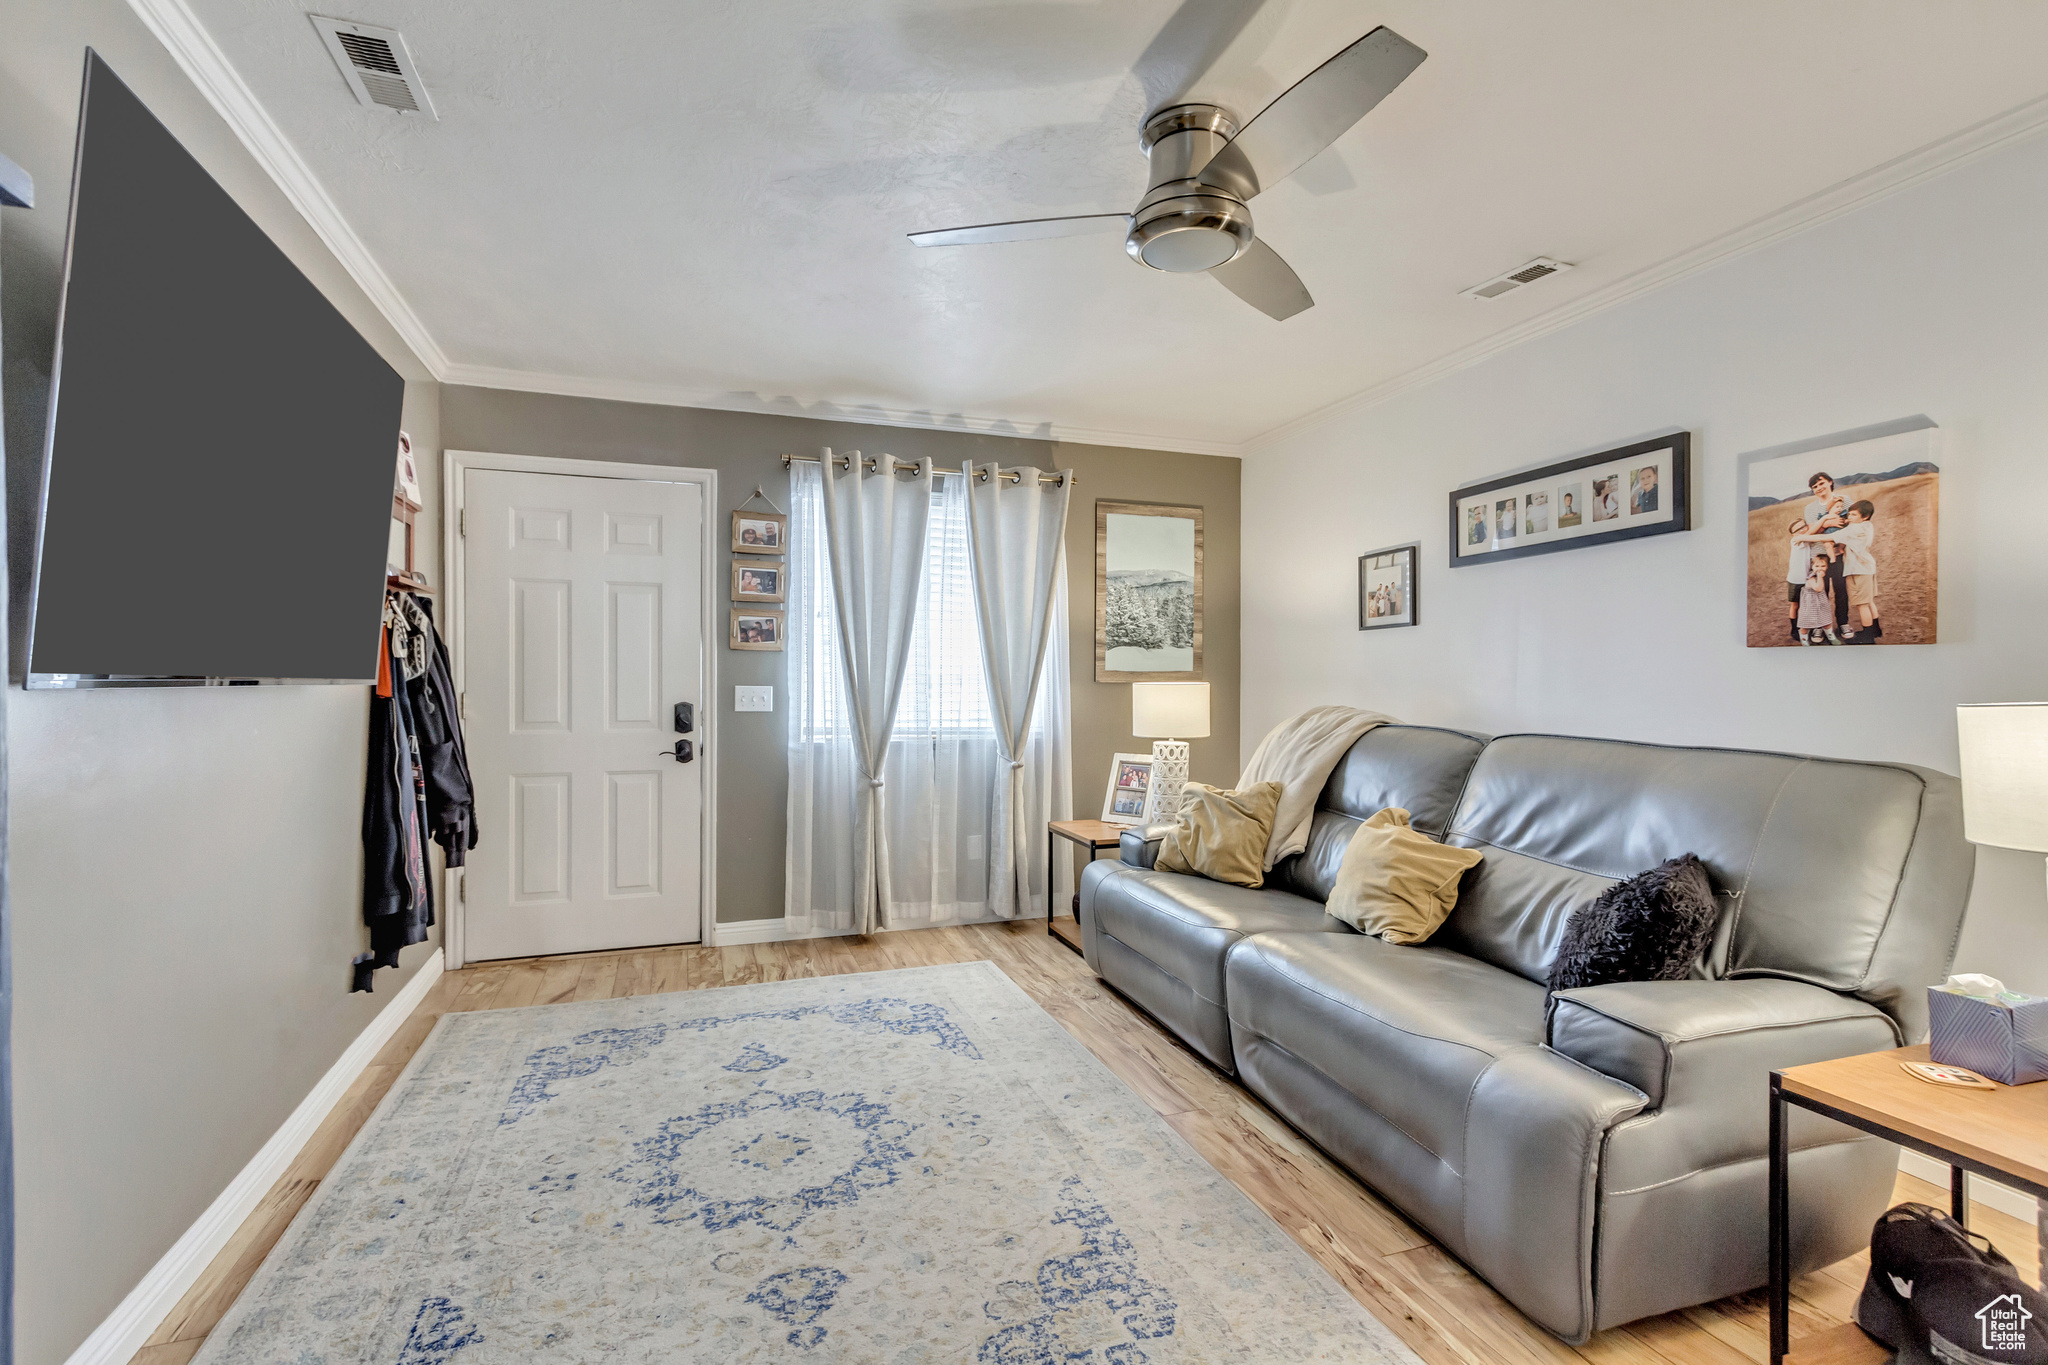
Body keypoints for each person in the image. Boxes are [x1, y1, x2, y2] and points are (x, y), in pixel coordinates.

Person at [1796, 499, 1881, 642]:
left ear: (1864, 516)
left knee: (1862, 605)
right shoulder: (1867, 525)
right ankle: (1876, 629)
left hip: (1858, 571)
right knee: (1869, 601)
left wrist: (1803, 537)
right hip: (1868, 568)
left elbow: (1827, 537)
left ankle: (1868, 637)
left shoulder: (1854, 529)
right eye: (1850, 514)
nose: (1849, 518)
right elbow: (1850, 524)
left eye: (1853, 515)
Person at [1802, 473, 1853, 635]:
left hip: (1838, 554)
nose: (1819, 488)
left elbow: (1850, 524)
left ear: (1830, 482)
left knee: (1841, 591)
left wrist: (1828, 524)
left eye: (1821, 483)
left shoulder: (1844, 500)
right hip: (1818, 557)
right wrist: (1828, 522)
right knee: (1819, 592)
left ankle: (1843, 623)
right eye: (1814, 487)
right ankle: (1819, 626)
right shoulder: (1810, 508)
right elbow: (1811, 532)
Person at [1796, 551, 1840, 645]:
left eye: (1823, 566)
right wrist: (1820, 577)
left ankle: (1831, 637)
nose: (1819, 568)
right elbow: (1819, 588)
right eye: (1817, 566)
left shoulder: (1820, 576)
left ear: (1827, 567)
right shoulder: (1811, 577)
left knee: (1826, 621)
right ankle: (1804, 641)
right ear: (1812, 566)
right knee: (1805, 625)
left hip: (1820, 604)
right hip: (1809, 606)